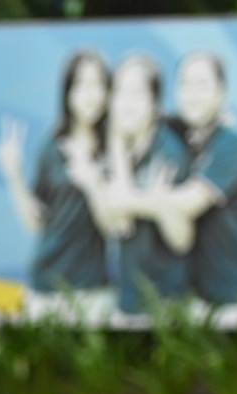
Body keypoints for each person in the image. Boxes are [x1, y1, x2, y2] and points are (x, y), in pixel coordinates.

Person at [0, 51, 113, 298]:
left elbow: (114, 226)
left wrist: (92, 181)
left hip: (94, 287)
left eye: (98, 85)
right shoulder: (52, 147)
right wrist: (14, 175)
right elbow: (37, 223)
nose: (91, 95)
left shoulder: (115, 148)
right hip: (47, 283)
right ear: (68, 94)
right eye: (81, 85)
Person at [100, 54, 194, 316]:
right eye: (119, 92)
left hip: (167, 303)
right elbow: (118, 223)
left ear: (155, 104)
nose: (126, 102)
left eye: (137, 93)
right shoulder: (120, 151)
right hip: (130, 297)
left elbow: (182, 239)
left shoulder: (169, 153)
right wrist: (116, 144)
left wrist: (130, 201)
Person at [166, 52, 237, 307]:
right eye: (185, 84)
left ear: (221, 93)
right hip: (194, 294)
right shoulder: (176, 132)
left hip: (235, 294)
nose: (192, 93)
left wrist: (128, 198)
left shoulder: (232, 143)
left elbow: (188, 204)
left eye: (202, 85)